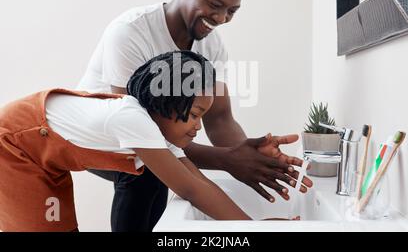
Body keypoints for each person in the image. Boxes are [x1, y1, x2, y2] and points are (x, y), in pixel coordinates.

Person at [77, 0, 313, 231]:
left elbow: (221, 119)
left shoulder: (211, 45)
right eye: (215, 5)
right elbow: (136, 134)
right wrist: (228, 160)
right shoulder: (130, 32)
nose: (221, 18)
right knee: (147, 169)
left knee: (162, 170)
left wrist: (247, 156)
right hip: (96, 139)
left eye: (232, 11)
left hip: (145, 140)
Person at [0, 51, 300, 232]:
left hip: (43, 153)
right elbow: (189, 188)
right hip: (15, 146)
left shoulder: (156, 132)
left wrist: (255, 226)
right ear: (167, 101)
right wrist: (254, 230)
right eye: (195, 114)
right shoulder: (132, 118)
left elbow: (201, 182)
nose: (198, 127)